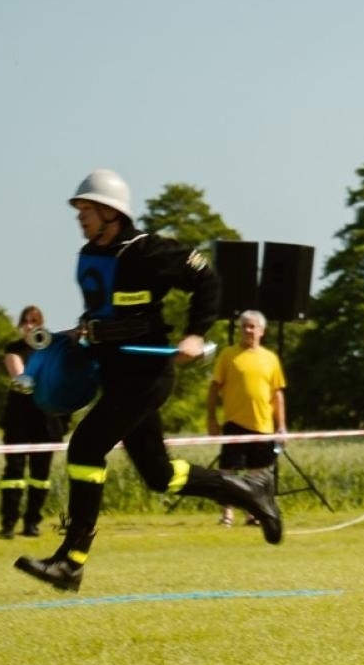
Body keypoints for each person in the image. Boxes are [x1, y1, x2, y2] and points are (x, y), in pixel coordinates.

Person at [14, 169, 282, 593]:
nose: (79, 217)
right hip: (115, 373)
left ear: (110, 212)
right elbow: (105, 313)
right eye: (79, 210)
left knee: (85, 446)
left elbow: (207, 279)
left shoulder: (148, 251)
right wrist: (77, 335)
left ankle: (71, 561)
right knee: (159, 475)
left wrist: (195, 334)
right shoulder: (90, 254)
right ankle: (249, 489)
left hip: (148, 375)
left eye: (86, 209)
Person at [207, 309, 287, 527]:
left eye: (252, 326)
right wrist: (211, 419)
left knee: (257, 474)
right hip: (234, 424)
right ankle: (227, 514)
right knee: (229, 473)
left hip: (264, 426)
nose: (248, 330)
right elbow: (214, 389)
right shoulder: (228, 355)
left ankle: (253, 514)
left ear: (262, 331)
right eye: (244, 326)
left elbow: (277, 394)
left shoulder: (271, 358)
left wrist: (281, 427)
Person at [0, 306, 67, 539]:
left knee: (41, 475)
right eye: (25, 322)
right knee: (14, 472)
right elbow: (22, 383)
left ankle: (32, 523)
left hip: (47, 421)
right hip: (18, 419)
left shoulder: (52, 350)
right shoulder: (13, 349)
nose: (29, 326)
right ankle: (8, 523)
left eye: (34, 322)